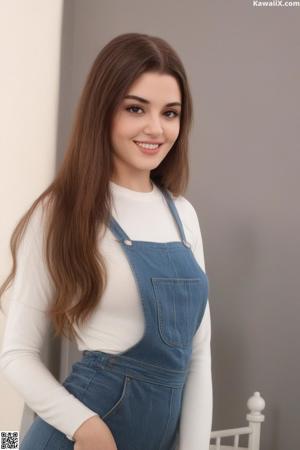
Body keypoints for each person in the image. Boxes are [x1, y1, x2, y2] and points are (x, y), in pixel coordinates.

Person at [0, 32, 213, 450]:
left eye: (170, 113)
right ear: (103, 111)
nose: (156, 128)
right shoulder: (60, 212)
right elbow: (16, 354)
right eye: (136, 108)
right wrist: (85, 426)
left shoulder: (183, 214)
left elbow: (199, 357)